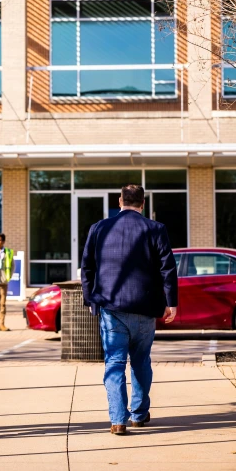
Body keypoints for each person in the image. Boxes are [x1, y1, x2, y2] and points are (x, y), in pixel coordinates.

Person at [81, 184, 178, 436]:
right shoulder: (156, 229)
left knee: (114, 363)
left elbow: (87, 268)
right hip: (145, 308)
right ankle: (138, 414)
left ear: (120, 200)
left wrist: (91, 300)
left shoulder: (99, 229)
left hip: (111, 308)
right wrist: (172, 303)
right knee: (141, 362)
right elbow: (167, 268)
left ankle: (118, 420)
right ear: (143, 203)